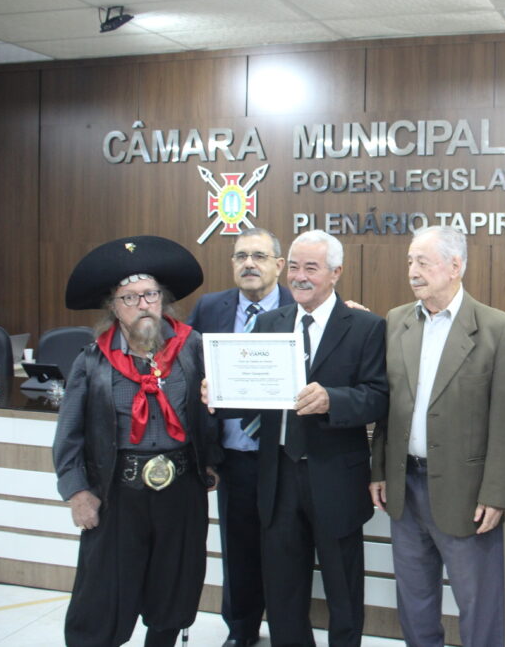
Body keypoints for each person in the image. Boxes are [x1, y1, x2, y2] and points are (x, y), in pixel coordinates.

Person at [52, 235, 219, 647]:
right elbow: (68, 435)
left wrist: (213, 458)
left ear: (163, 300)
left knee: (174, 587)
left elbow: (216, 410)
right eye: (130, 298)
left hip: (181, 493)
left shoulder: (193, 347)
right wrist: (78, 494)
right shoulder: (92, 360)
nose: (143, 304)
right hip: (117, 495)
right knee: (104, 596)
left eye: (150, 295)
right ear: (114, 307)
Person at [370, 225, 505, 647]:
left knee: (479, 602)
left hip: (468, 493)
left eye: (423, 262)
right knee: (414, 600)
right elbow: (388, 407)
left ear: (455, 266)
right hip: (404, 487)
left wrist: (496, 494)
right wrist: (379, 469)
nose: (412, 271)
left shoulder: (497, 329)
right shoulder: (397, 321)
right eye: (409, 262)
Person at [246, 229, 387, 647]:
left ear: (336, 272)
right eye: (293, 267)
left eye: (311, 267)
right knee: (283, 589)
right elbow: (250, 397)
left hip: (336, 476)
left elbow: (379, 397)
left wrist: (333, 400)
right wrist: (218, 395)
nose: (300, 276)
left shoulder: (366, 327)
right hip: (278, 475)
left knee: (344, 590)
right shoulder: (267, 324)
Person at [189, 227, 293, 647]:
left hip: (283, 455)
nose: (249, 264)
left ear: (279, 265)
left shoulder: (301, 305)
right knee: (237, 548)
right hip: (232, 453)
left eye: (259, 256)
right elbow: (190, 372)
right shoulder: (210, 307)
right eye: (241, 256)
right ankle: (241, 630)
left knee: (286, 549)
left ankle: (288, 630)